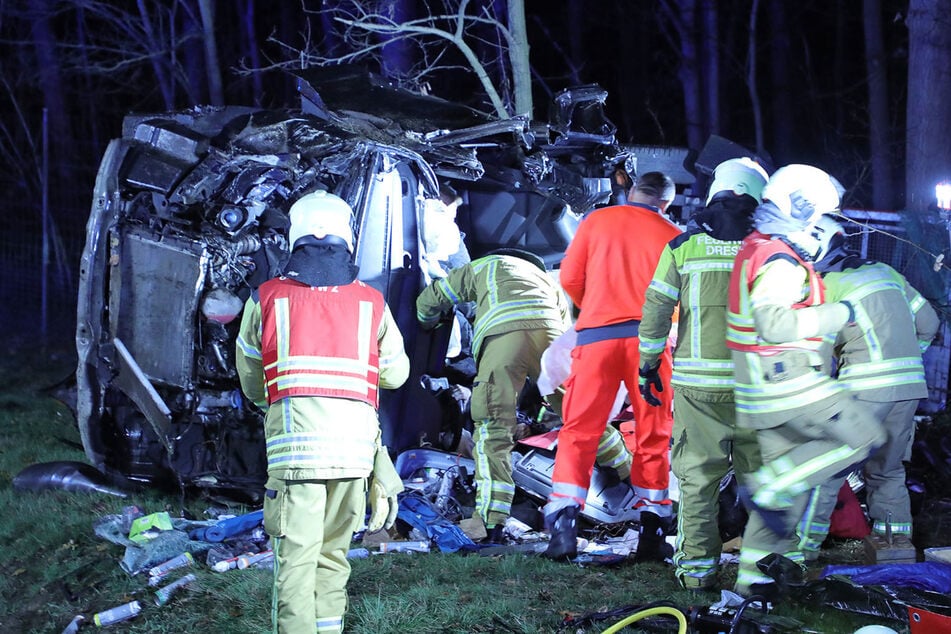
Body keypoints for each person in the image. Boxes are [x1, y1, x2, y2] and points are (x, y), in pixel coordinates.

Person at [235, 190, 410, 633]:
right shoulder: (371, 302)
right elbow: (395, 374)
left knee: (296, 561)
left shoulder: (267, 298)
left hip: (297, 459)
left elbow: (252, 378)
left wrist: (273, 404)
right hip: (354, 457)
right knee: (334, 556)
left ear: (294, 238)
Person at [725, 164, 886, 599]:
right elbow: (773, 323)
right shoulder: (781, 259)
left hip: (759, 388)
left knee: (788, 497)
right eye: (817, 215)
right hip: (788, 380)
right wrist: (841, 313)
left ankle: (753, 583)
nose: (820, 225)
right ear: (801, 205)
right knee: (863, 435)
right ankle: (767, 485)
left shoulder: (757, 248)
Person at [638, 158, 769, 589]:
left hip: (698, 387)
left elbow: (657, 311)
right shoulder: (774, 248)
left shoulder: (683, 247)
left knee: (697, 480)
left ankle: (696, 574)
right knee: (763, 481)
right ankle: (760, 575)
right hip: (760, 387)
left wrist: (648, 366)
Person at [544, 171, 682, 561]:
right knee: (653, 432)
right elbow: (680, 297)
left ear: (632, 192)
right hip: (651, 345)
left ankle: (564, 531)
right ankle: (652, 534)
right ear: (665, 202)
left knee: (579, 431)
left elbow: (570, 278)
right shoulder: (674, 233)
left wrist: (599, 308)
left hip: (596, 340)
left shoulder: (597, 221)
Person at [797, 214, 939, 559]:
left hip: (863, 391)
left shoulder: (825, 284)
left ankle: (799, 553)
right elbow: (930, 322)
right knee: (888, 470)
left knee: (826, 471)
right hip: (908, 390)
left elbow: (815, 351)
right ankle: (896, 548)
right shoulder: (886, 272)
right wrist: (905, 360)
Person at [416, 249, 571, 543]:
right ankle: (631, 481)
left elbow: (434, 296)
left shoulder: (485, 265)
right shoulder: (547, 280)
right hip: (551, 338)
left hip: (504, 340)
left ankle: (490, 523)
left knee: (493, 429)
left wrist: (426, 324)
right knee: (581, 416)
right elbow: (563, 328)